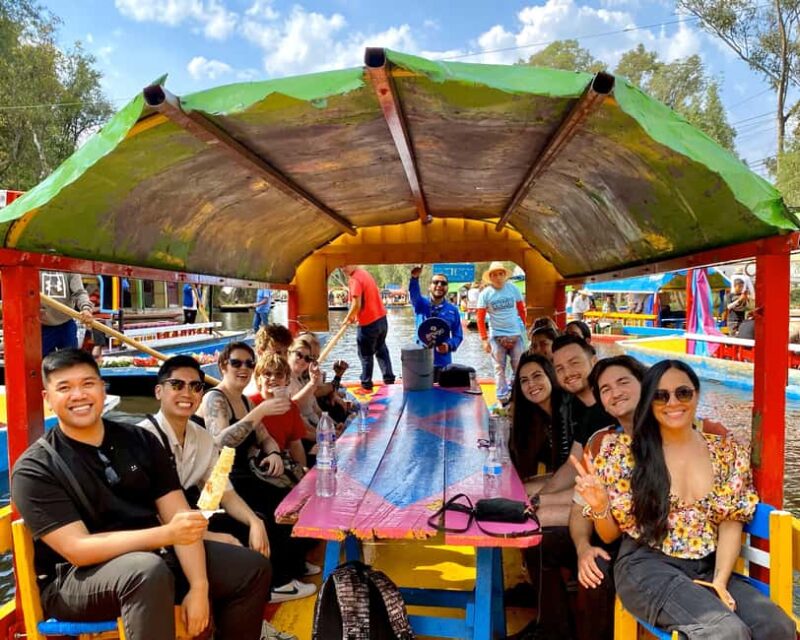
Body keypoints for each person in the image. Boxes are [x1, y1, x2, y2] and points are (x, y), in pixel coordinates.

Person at [11, 349, 271, 640]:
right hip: (74, 580)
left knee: (251, 568)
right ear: (48, 399)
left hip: (152, 558)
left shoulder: (139, 440)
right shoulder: (36, 468)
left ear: (102, 388)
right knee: (147, 572)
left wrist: (199, 587)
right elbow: (78, 549)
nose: (79, 395)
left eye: (87, 384)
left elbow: (179, 517)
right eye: (65, 388)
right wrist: (167, 535)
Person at [573, 360, 795, 640]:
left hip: (709, 563)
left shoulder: (725, 453)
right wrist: (599, 506)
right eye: (661, 395)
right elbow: (608, 535)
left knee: (777, 628)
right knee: (725, 633)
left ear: (696, 394)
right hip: (646, 566)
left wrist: (720, 582)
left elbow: (730, 522)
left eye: (683, 393)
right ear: (649, 402)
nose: (673, 402)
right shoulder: (624, 453)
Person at [198, 342, 318, 603]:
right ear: (222, 366)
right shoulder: (214, 398)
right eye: (236, 363)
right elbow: (220, 442)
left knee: (291, 494)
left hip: (243, 472)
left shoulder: (241, 400)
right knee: (273, 505)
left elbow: (264, 437)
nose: (244, 368)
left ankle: (294, 563)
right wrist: (261, 410)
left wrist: (273, 452)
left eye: (249, 364)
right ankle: (278, 582)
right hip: (214, 480)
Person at [567, 355, 647, 640]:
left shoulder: (676, 432)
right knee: (591, 566)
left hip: (666, 548)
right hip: (618, 539)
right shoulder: (601, 443)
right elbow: (580, 508)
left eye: (623, 382)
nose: (615, 393)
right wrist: (582, 547)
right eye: (605, 389)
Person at [477, 261, 526, 403]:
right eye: (494, 275)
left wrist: (525, 329)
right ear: (490, 277)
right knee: (499, 368)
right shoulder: (485, 294)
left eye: (500, 274)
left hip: (515, 334)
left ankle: (519, 393)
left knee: (519, 365)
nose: (498, 277)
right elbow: (480, 318)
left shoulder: (513, 289)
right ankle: (502, 396)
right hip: (496, 336)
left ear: (505, 275)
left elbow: (521, 310)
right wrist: (484, 339)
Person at [341, 265, 395, 391]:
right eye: (340, 266)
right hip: (381, 319)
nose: (343, 268)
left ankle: (366, 384)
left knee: (365, 354)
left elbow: (356, 304)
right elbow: (366, 300)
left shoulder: (355, 279)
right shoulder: (364, 273)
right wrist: (354, 316)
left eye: (345, 265)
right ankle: (389, 379)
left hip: (368, 323)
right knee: (381, 349)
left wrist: (348, 318)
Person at [250, 353, 308, 469]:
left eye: (278, 375)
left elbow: (295, 445)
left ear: (286, 380)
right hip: (256, 463)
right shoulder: (249, 403)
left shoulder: (290, 407)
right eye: (267, 374)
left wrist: (302, 471)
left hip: (280, 460)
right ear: (258, 379)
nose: (273, 378)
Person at [409, 266, 464, 380]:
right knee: (420, 395)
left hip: (443, 363)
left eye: (443, 283)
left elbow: (458, 335)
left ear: (447, 288)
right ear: (430, 287)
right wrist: (414, 278)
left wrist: (449, 345)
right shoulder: (420, 304)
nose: (439, 285)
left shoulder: (453, 310)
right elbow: (414, 294)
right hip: (420, 360)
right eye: (436, 282)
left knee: (443, 395)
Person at [39, 271, 94, 355]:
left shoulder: (69, 267)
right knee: (41, 362)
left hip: (66, 323)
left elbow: (79, 292)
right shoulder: (35, 265)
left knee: (71, 360)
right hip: (41, 324)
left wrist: (86, 308)